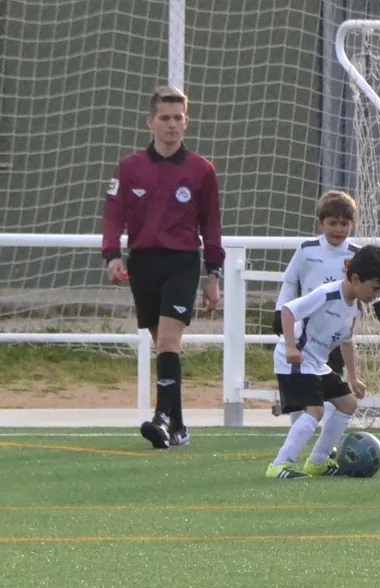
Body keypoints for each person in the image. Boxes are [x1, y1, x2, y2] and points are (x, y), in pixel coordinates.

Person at [100, 86, 223, 449]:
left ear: (187, 122)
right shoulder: (129, 168)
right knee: (163, 348)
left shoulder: (202, 170)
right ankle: (179, 427)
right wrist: (112, 255)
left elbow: (211, 226)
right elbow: (113, 217)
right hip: (143, 264)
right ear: (150, 122)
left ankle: (161, 418)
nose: (172, 125)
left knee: (169, 341)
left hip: (182, 264)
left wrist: (213, 275)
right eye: (165, 118)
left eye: (178, 118)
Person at [266, 245, 380, 479]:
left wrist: (353, 377)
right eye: (375, 289)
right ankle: (279, 465)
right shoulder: (327, 293)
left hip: (315, 363)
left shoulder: (355, 308)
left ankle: (317, 462)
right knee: (315, 409)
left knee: (348, 404)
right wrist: (291, 347)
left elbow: (346, 340)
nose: (376, 296)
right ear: (356, 279)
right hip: (297, 359)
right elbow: (288, 310)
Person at [271, 190, 380, 424]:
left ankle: (324, 442)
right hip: (307, 328)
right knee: (307, 388)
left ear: (353, 225)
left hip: (337, 327)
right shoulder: (307, 249)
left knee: (332, 384)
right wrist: (279, 309)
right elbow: (290, 281)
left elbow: (369, 283)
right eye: (333, 223)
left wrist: (378, 306)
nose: (338, 229)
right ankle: (301, 431)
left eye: (344, 223)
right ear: (320, 224)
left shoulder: (356, 254)